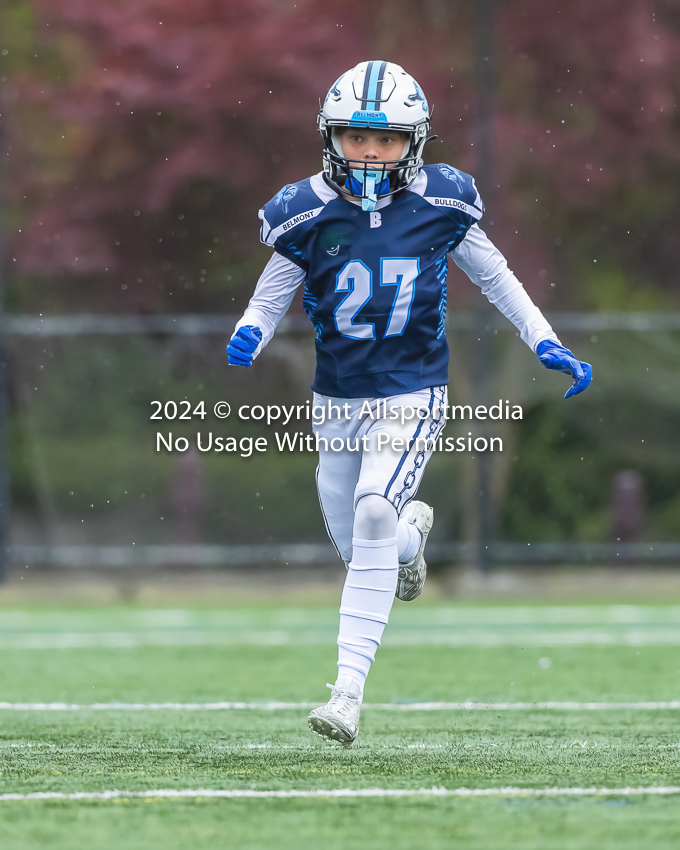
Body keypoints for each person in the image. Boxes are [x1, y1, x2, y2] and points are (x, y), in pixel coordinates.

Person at [227, 60, 592, 745]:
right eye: (355, 137)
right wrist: (251, 327)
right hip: (336, 400)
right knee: (363, 541)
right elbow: (274, 287)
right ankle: (409, 543)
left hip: (411, 391)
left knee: (369, 515)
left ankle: (346, 695)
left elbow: (497, 277)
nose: (369, 152)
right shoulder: (304, 211)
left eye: (386, 139)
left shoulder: (441, 204)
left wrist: (546, 340)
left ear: (414, 141)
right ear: (330, 137)